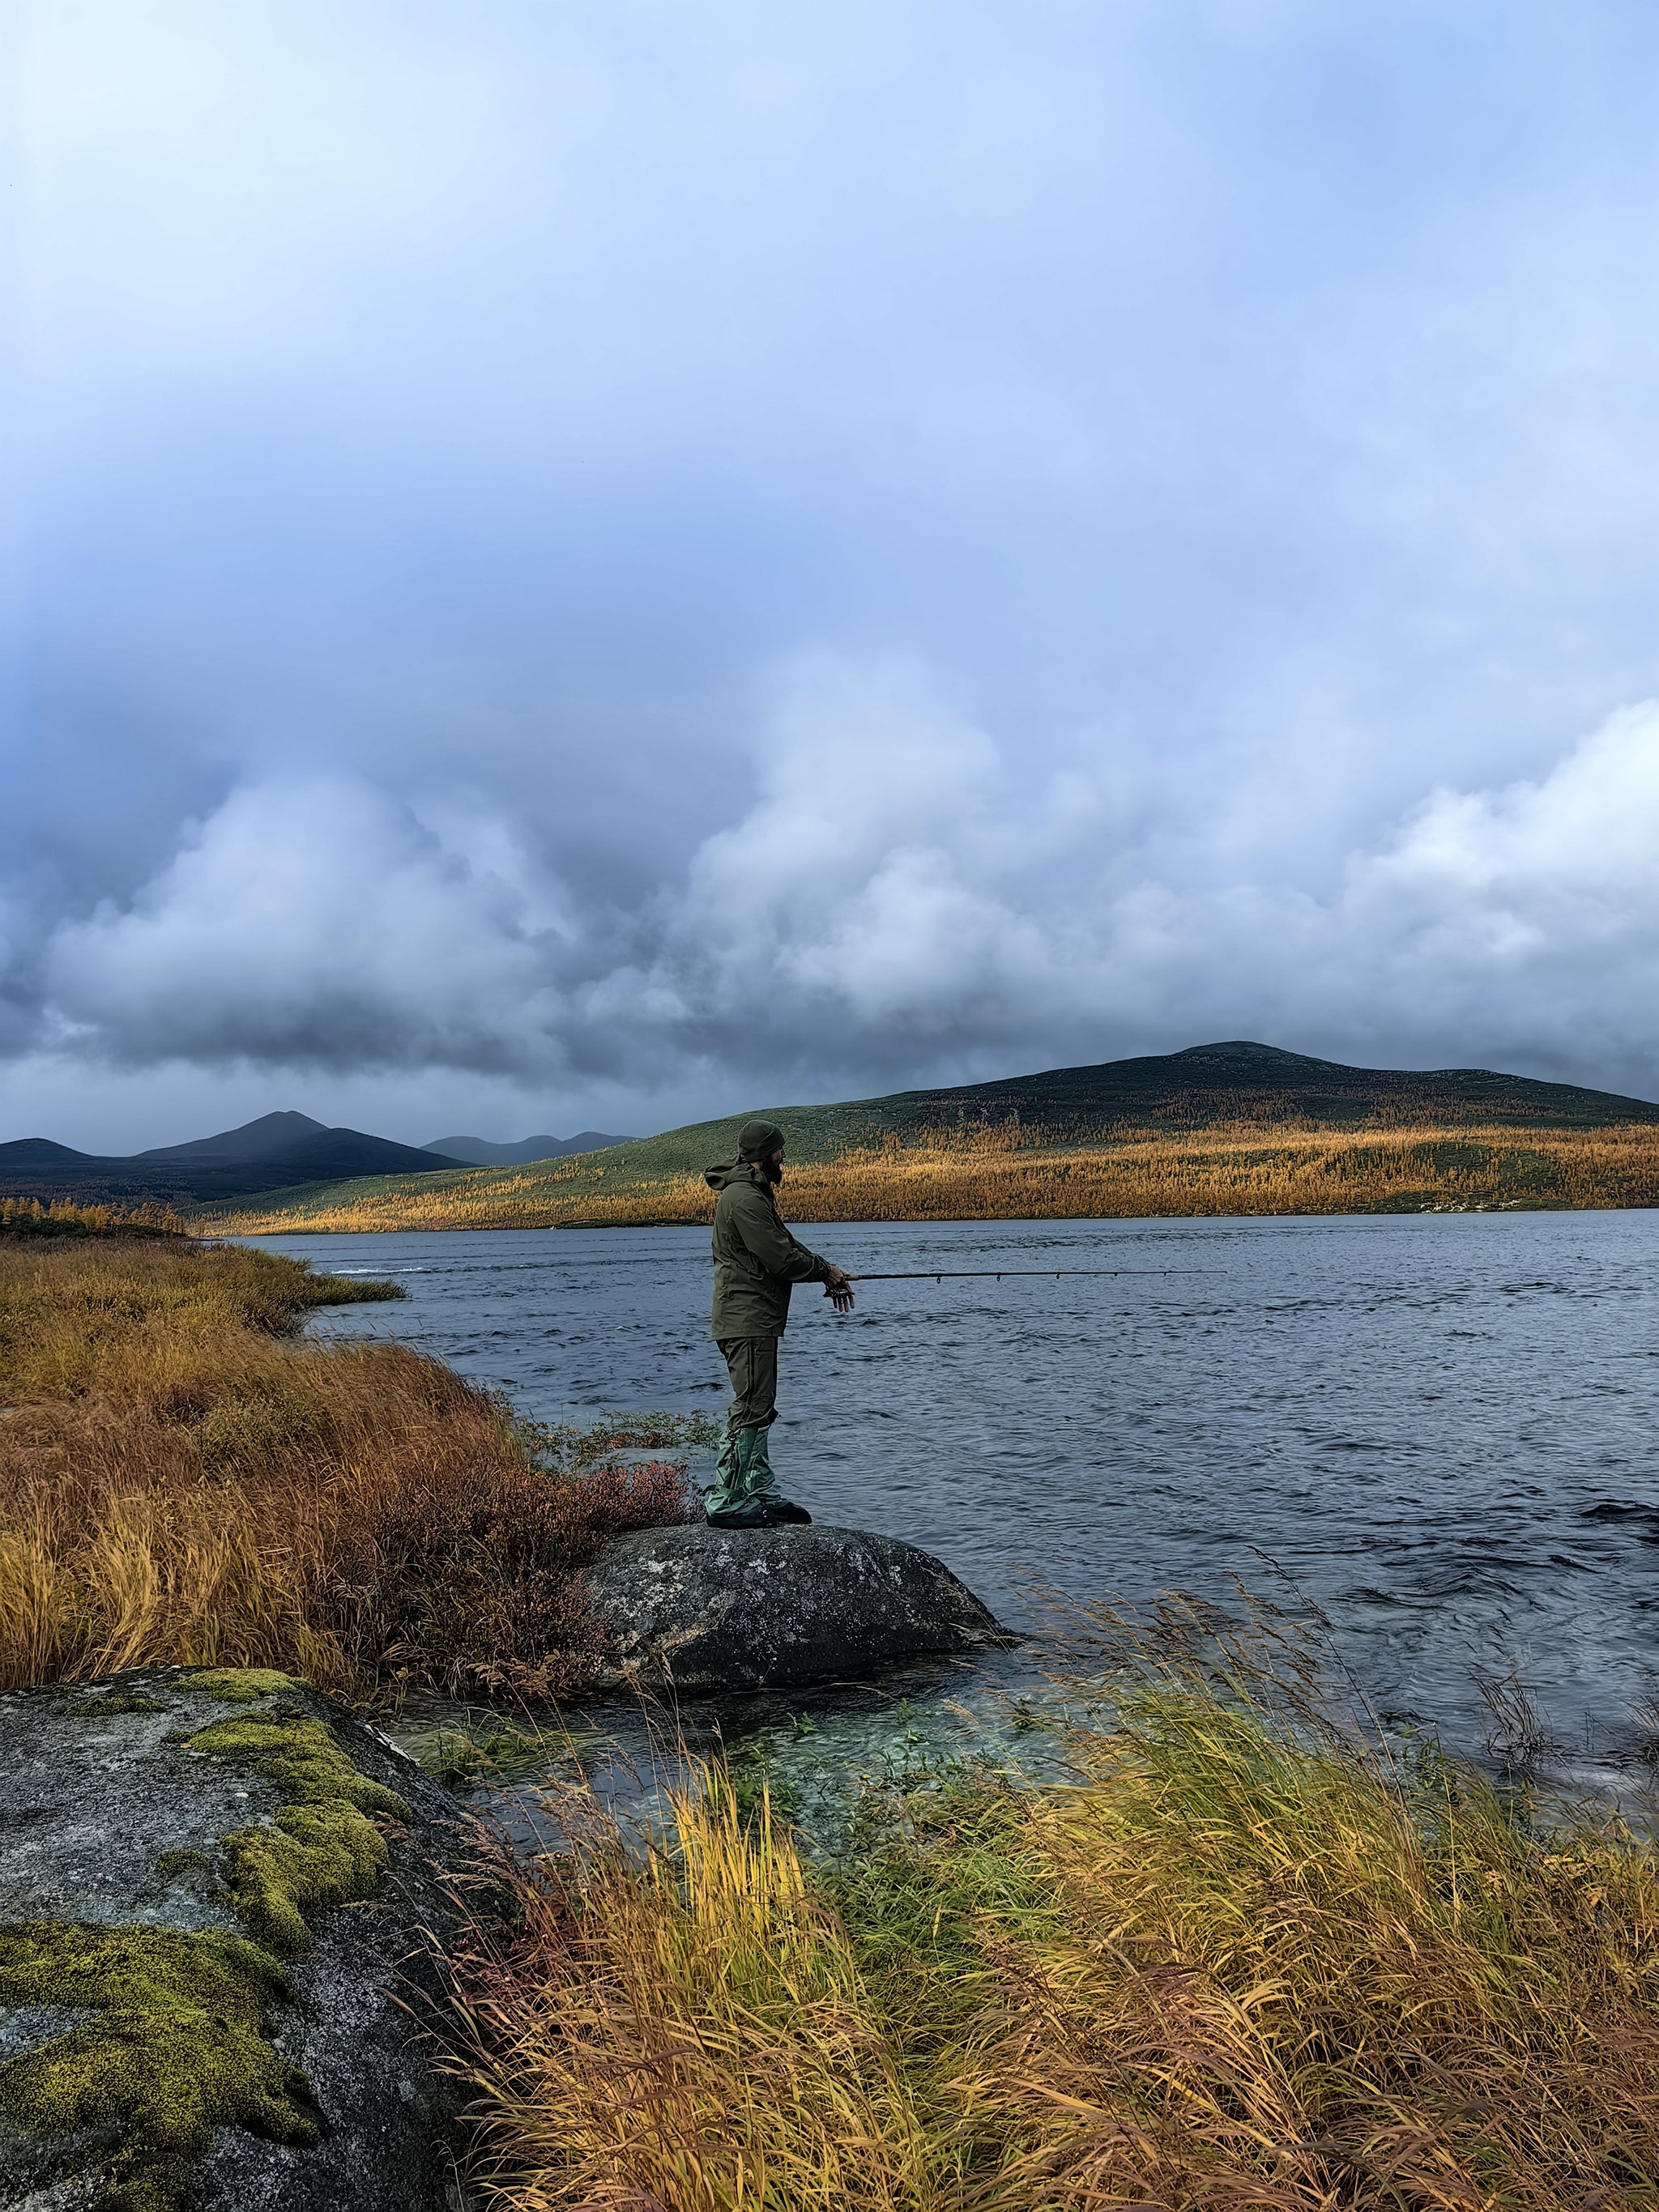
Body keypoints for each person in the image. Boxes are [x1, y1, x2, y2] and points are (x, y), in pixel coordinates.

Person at [703, 1119, 854, 1528]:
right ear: (763, 1155)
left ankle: (758, 1489)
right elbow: (780, 1258)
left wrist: (827, 1271)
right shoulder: (744, 1198)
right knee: (751, 1404)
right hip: (746, 1318)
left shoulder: (751, 1194)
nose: (783, 1156)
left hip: (753, 1317)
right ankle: (726, 1500)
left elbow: (785, 1244)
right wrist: (825, 1272)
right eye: (779, 1150)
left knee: (761, 1405)